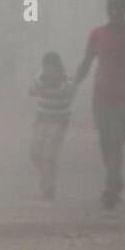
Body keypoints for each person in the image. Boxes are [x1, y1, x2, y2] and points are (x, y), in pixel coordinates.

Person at [72, 0, 125, 209]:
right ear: (107, 10)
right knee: (106, 143)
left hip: (124, 101)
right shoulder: (97, 34)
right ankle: (115, 180)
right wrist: (74, 85)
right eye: (111, 7)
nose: (114, 10)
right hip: (100, 99)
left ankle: (110, 187)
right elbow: (86, 62)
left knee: (116, 143)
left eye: (118, 6)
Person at [28, 51, 75, 200]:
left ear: (58, 67)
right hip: (41, 121)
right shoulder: (41, 77)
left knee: (49, 157)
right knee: (35, 154)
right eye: (46, 67)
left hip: (59, 123)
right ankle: (46, 178)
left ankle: (49, 189)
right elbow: (31, 91)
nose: (48, 70)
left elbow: (66, 93)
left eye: (51, 67)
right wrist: (43, 82)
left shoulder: (67, 81)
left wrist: (53, 82)